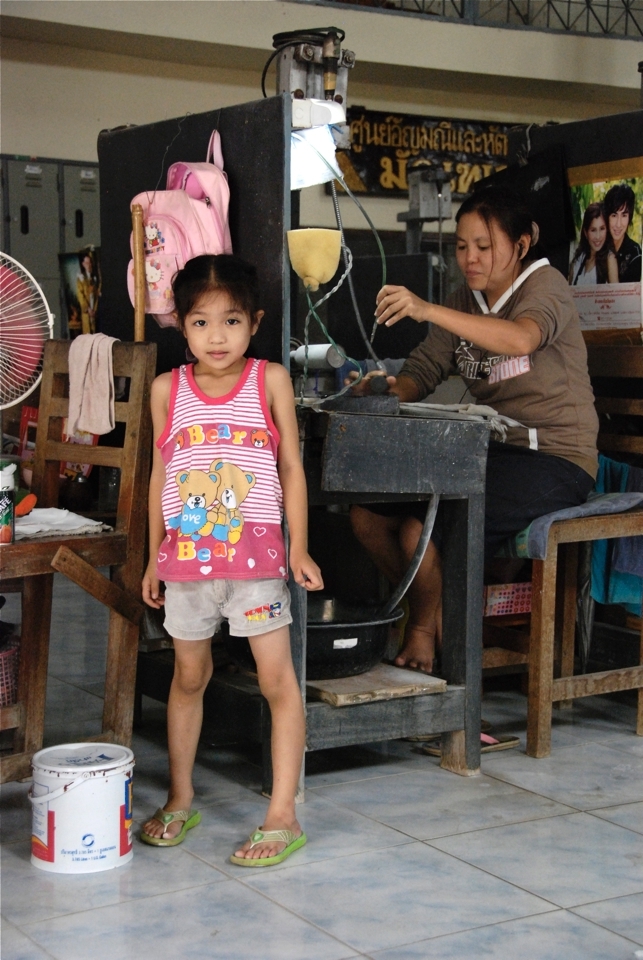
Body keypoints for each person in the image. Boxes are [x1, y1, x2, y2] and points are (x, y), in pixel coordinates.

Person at [349, 185, 599, 673]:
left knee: (421, 531)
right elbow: (423, 371)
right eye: (462, 246)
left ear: (521, 244)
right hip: (492, 455)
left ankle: (424, 634)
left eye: (484, 246)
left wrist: (426, 308)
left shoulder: (544, 285)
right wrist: (384, 391)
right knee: (367, 517)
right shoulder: (465, 299)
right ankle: (438, 611)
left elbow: (522, 337)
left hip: (556, 460)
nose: (469, 258)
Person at [141, 254, 323, 865]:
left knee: (276, 681)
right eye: (200, 323)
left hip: (257, 562)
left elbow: (292, 466)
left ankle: (282, 814)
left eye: (231, 321)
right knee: (189, 677)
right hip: (188, 563)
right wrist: (151, 560)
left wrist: (297, 545)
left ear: (255, 323)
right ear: (180, 325)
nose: (216, 337)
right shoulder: (167, 389)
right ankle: (180, 797)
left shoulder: (269, 380)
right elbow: (160, 475)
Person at [569, 202, 617, 285]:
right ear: (585, 232)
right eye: (593, 230)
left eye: (602, 229)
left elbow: (617, 296)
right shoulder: (578, 259)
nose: (598, 237)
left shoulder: (609, 258)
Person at [603, 183, 642, 284]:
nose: (618, 224)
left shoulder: (635, 254)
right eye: (614, 215)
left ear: (629, 218)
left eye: (624, 215)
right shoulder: (598, 246)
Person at [76, 247, 100, 334]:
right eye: (86, 263)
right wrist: (88, 308)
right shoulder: (81, 278)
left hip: (94, 309)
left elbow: (97, 294)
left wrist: (95, 309)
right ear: (83, 264)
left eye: (90, 263)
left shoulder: (94, 278)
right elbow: (80, 295)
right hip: (87, 311)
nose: (88, 265)